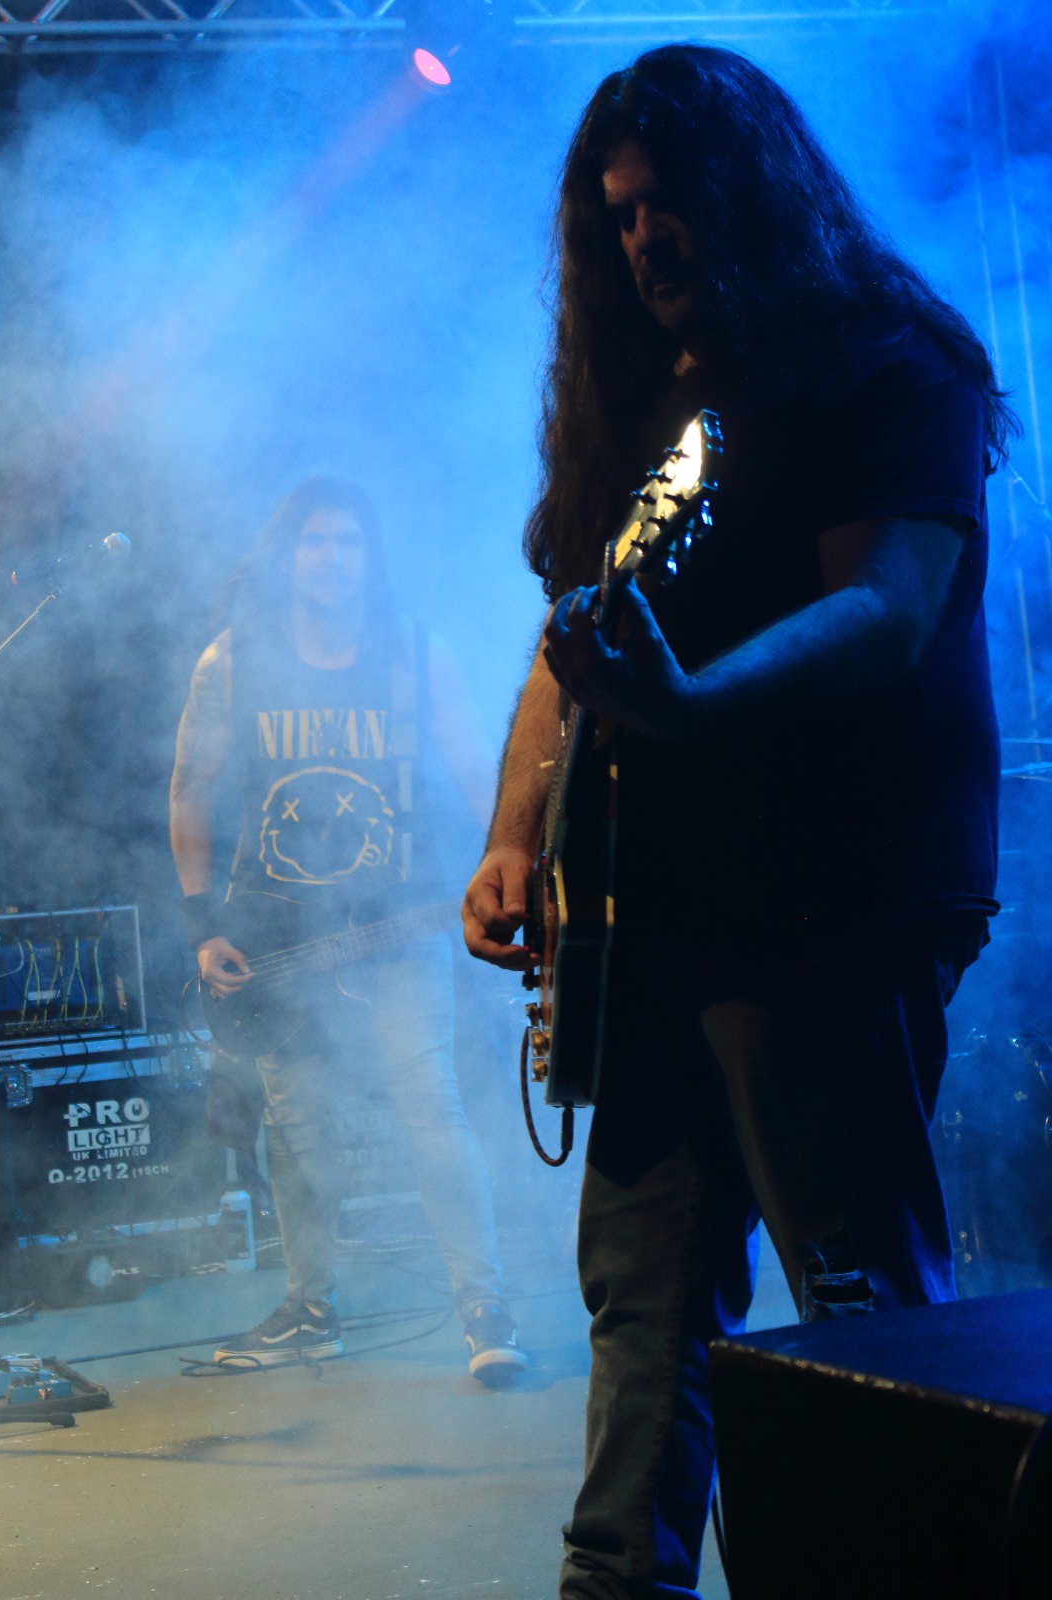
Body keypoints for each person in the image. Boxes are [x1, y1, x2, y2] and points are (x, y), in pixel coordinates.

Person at [462, 44, 1015, 1598]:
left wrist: (693, 703)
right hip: (650, 923)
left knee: (862, 1311)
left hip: (824, 907)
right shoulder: (636, 399)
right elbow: (565, 652)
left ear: (753, 190)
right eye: (620, 215)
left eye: (669, 203)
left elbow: (887, 610)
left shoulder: (886, 363)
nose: (644, 240)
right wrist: (514, 835)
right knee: (643, 1306)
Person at [171, 476, 526, 1385]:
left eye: (350, 543)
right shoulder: (235, 660)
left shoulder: (416, 653)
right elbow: (189, 791)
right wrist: (202, 927)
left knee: (431, 1104)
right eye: (316, 542)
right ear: (287, 556)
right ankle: (311, 1309)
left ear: (372, 559)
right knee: (296, 1128)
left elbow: (479, 776)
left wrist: (512, 866)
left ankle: (484, 1307)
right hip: (280, 941)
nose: (333, 559)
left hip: (399, 930)